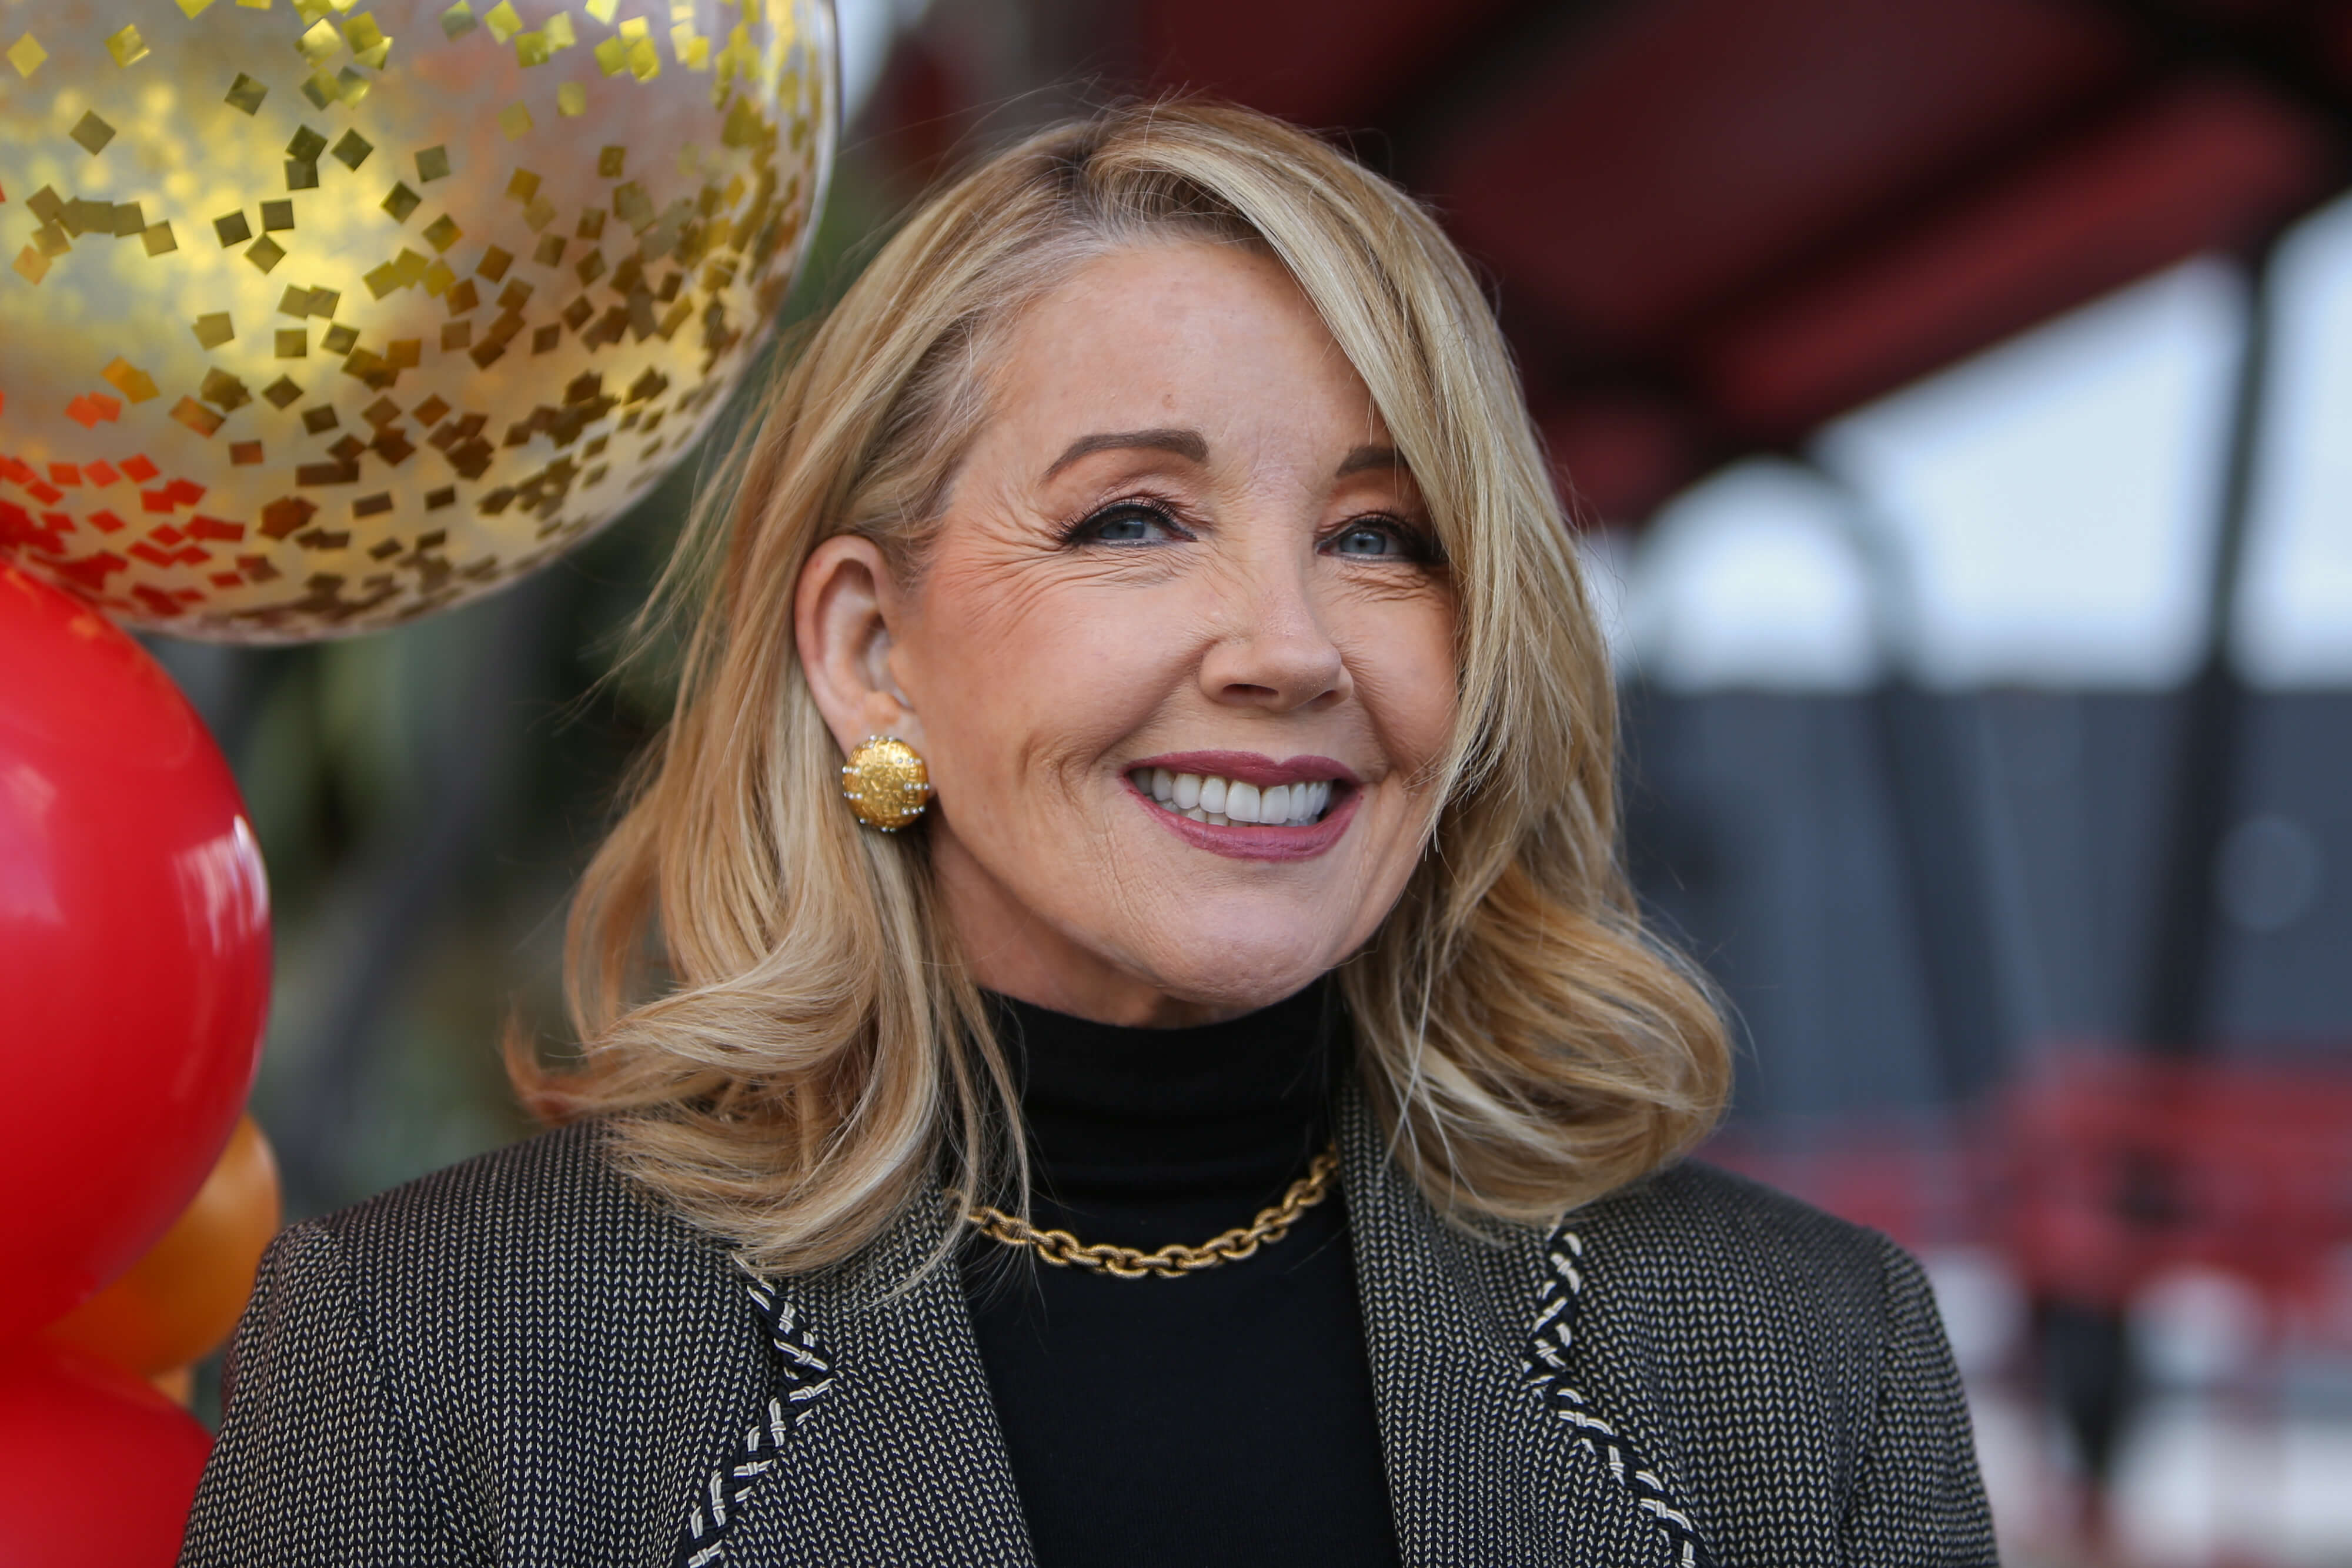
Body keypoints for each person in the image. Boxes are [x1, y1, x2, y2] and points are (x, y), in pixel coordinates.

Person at [181, 100, 1994, 1567]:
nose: (1289, 647)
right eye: (1137, 520)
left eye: (1383, 536)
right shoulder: (435, 1355)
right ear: (870, 654)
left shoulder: (1809, 1366)